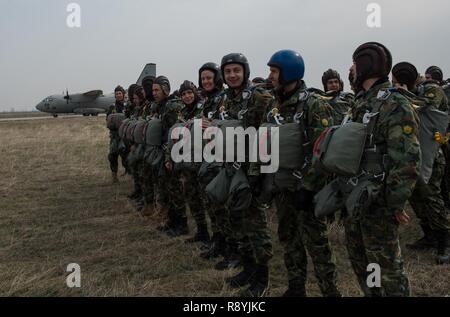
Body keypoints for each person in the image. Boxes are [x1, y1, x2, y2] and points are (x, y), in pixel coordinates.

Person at [345, 42, 421, 296]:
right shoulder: (361, 103)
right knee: (363, 263)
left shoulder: (394, 103)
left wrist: (393, 204)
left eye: (354, 64)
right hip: (356, 199)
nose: (351, 69)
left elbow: (407, 160)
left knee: (386, 269)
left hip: (378, 203)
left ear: (366, 64)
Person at [265, 50, 340, 297]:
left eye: (274, 71)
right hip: (283, 187)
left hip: (307, 189)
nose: (271, 76)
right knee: (288, 239)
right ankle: (296, 287)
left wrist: (309, 188)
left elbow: (323, 151)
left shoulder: (313, 104)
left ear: (289, 73)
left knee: (317, 244)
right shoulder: (273, 104)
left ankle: (330, 291)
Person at [107, 85, 129, 183]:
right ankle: (114, 175)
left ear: (123, 94)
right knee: (112, 155)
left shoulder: (128, 106)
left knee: (125, 155)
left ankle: (129, 172)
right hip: (115, 135)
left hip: (125, 135)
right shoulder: (112, 107)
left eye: (120, 93)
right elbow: (107, 119)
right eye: (116, 94)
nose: (118, 95)